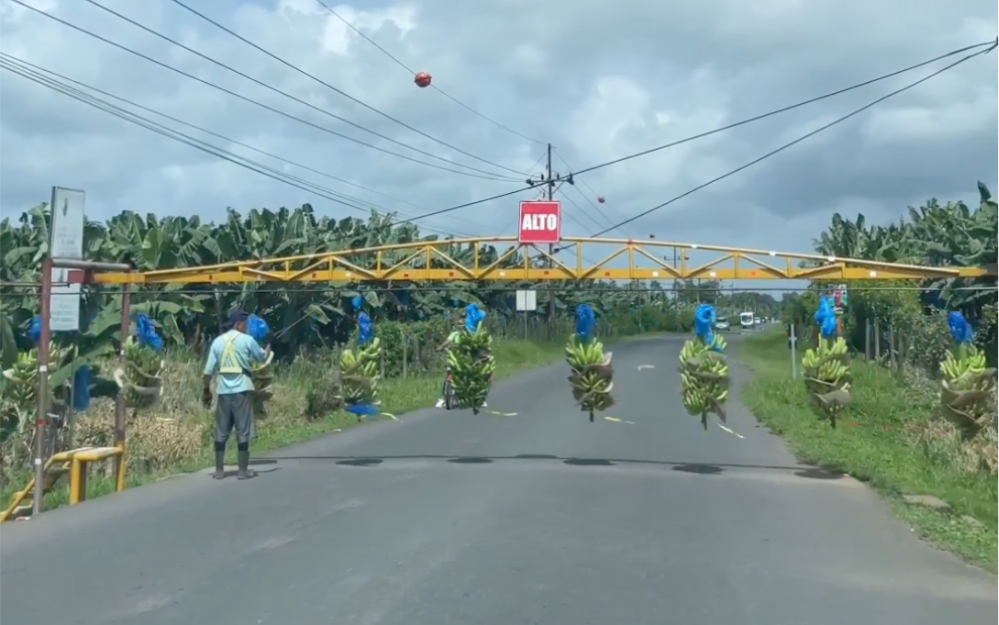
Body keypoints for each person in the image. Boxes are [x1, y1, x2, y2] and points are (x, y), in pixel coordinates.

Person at [202, 310, 270, 480]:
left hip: (223, 391)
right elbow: (262, 358)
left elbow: (208, 372)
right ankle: (242, 470)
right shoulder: (248, 340)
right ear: (239, 324)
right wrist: (268, 346)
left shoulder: (217, 342)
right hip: (242, 390)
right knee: (243, 430)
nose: (247, 327)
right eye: (245, 323)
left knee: (221, 430)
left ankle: (219, 470)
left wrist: (206, 391)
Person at [433, 319, 486, 409]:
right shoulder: (455, 334)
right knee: (449, 372)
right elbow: (447, 341)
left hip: (464, 357)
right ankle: (446, 393)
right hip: (454, 357)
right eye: (459, 324)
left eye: (461, 324)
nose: (460, 326)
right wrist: (441, 347)